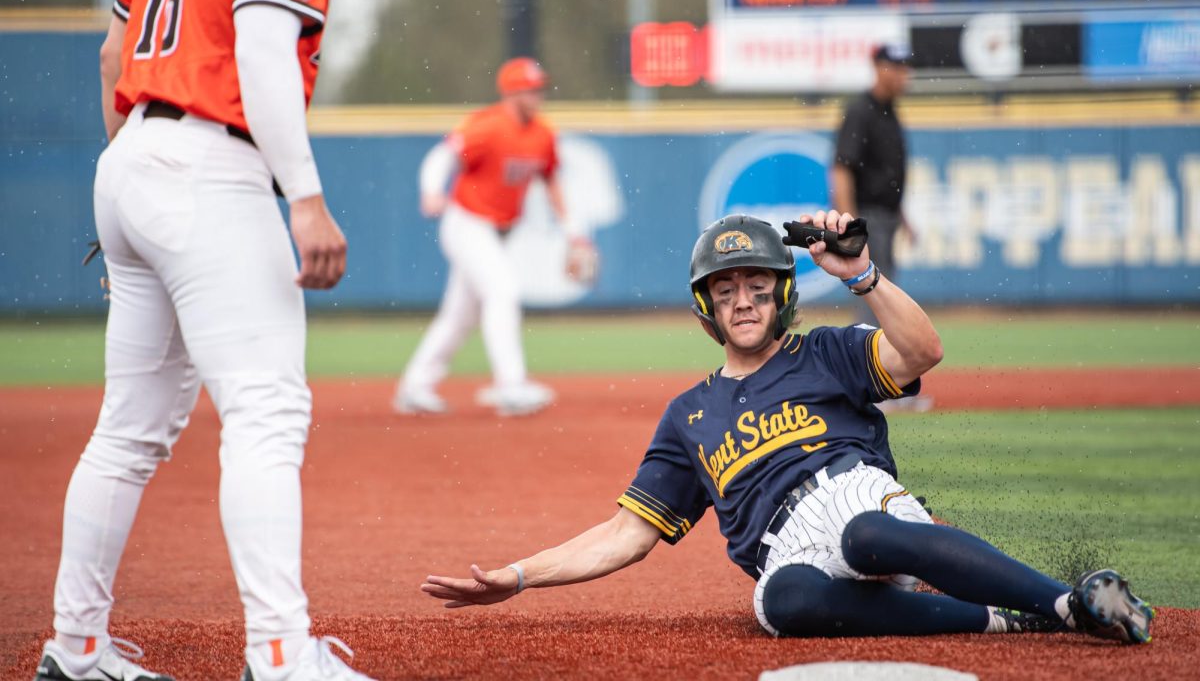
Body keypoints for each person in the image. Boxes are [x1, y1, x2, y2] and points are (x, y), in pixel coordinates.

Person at [421, 212, 1154, 645]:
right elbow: (625, 534)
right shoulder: (689, 415)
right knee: (779, 604)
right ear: (706, 308)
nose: (742, 298)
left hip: (858, 502)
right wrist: (518, 577)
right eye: (725, 288)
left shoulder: (826, 350)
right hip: (785, 549)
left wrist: (862, 274)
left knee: (862, 534)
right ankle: (999, 621)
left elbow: (924, 351)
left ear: (782, 293)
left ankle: (1069, 599)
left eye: (757, 284)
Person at [34, 0, 374, 680]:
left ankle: (76, 647)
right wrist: (310, 200)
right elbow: (259, 53)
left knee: (126, 430)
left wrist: (138, 187)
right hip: (212, 162)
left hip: (129, 156)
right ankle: (283, 655)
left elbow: (113, 58)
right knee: (266, 411)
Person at [394, 57, 594, 417]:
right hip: (466, 223)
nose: (537, 94)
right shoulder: (487, 127)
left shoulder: (543, 134)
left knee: (459, 315)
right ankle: (511, 385)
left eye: (539, 87)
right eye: (530, 88)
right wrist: (430, 190)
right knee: (502, 290)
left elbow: (551, 182)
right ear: (512, 91)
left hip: (498, 231)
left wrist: (573, 232)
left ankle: (415, 386)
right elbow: (442, 156)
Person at [832, 43, 914, 288]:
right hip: (868, 218)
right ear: (878, 68)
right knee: (874, 294)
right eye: (896, 68)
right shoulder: (861, 111)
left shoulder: (889, 111)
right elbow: (841, 169)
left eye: (905, 68)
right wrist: (851, 226)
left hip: (886, 218)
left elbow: (886, 174)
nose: (903, 75)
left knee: (885, 293)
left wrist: (902, 217)